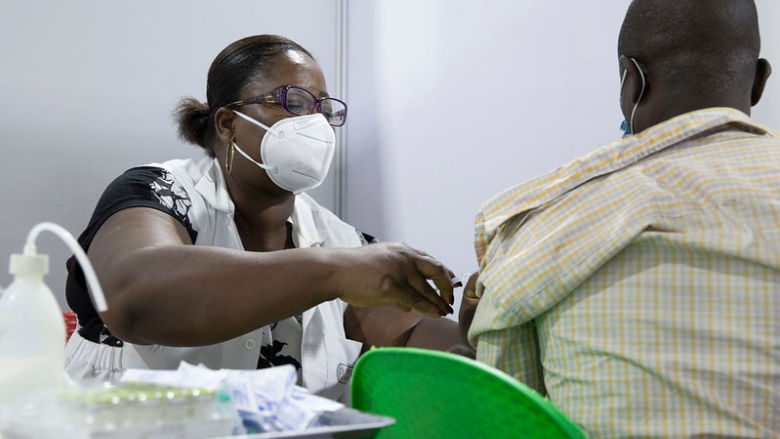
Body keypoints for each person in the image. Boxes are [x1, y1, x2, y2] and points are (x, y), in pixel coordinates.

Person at [64, 35, 471, 401]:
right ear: (228, 124)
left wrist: (480, 335)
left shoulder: (341, 241)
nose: (315, 124)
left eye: (323, 109)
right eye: (292, 103)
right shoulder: (159, 193)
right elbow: (136, 301)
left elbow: (426, 349)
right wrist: (333, 273)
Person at [462, 1, 778, 437]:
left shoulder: (537, 224)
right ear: (759, 81)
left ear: (632, 82)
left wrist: (485, 316)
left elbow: (507, 421)